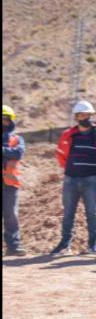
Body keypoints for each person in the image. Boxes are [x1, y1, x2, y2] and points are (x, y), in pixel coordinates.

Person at [51, 100, 96, 256]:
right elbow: (60, 155)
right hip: (71, 180)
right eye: (82, 115)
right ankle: (64, 245)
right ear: (76, 117)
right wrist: (70, 169)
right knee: (68, 213)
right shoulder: (68, 135)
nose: (85, 118)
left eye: (88, 115)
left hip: (91, 180)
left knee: (92, 213)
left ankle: (93, 245)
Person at [3, 105, 27, 256]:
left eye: (5, 119)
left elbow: (18, 153)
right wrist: (7, 153)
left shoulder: (17, 138)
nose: (3, 122)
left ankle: (14, 246)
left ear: (10, 121)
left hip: (10, 183)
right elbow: (12, 153)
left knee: (11, 214)